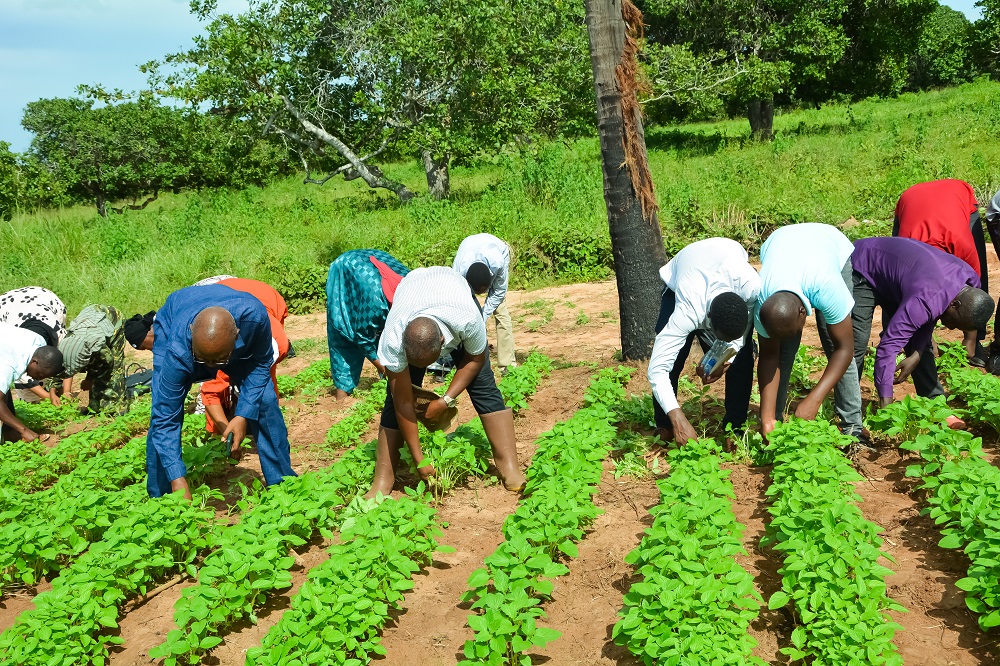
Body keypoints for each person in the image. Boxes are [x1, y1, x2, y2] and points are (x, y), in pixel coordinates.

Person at [367, 266, 525, 498]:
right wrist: (419, 460)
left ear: (443, 341)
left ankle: (509, 466)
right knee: (393, 400)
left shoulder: (468, 319)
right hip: (412, 293)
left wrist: (445, 400)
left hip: (452, 290)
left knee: (484, 388)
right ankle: (383, 478)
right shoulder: (394, 336)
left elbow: (474, 359)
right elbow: (401, 400)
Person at [146, 285, 296, 499]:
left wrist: (242, 415)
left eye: (219, 361)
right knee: (164, 411)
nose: (211, 368)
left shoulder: (254, 319)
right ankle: (162, 496)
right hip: (174, 319)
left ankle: (283, 484)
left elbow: (262, 363)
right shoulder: (178, 349)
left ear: (237, 337)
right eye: (203, 361)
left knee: (265, 400)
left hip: (232, 335)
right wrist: (178, 479)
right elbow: (165, 418)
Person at [850, 237, 993, 427]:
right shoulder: (925, 300)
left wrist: (916, 353)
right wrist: (887, 406)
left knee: (922, 345)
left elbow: (931, 314)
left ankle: (935, 405)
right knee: (855, 344)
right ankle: (850, 413)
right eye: (954, 323)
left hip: (901, 278)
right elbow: (888, 348)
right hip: (863, 266)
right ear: (954, 304)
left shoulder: (970, 282)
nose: (950, 328)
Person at [647, 238, 759, 446]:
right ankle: (666, 425)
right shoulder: (688, 310)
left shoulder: (751, 287)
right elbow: (657, 369)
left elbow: (741, 335)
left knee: (742, 360)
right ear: (707, 319)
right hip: (682, 275)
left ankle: (734, 427)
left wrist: (723, 359)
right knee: (674, 360)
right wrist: (678, 419)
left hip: (728, 256)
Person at [755, 223, 862, 439]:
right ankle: (774, 424)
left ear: (804, 312)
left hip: (829, 243)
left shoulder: (827, 286)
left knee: (834, 344)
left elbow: (845, 348)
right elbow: (768, 356)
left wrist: (815, 399)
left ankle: (852, 426)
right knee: (782, 351)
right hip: (781, 242)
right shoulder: (761, 302)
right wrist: (766, 417)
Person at [893, 179, 996, 365]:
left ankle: (977, 342)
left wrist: (970, 339)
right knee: (899, 288)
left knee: (979, 282)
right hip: (910, 199)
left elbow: (976, 290)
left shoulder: (962, 246)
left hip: (957, 195)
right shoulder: (906, 255)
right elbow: (910, 294)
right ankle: (915, 342)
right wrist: (925, 340)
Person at [197, 278, 290, 435]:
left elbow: (264, 377)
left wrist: (245, 413)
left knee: (263, 381)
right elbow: (210, 393)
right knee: (217, 380)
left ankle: (264, 425)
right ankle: (218, 427)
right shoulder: (220, 353)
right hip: (222, 293)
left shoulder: (276, 346)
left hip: (266, 297)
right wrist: (225, 432)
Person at [325, 250, 410, 399]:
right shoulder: (377, 305)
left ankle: (388, 385)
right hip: (346, 269)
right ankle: (342, 396)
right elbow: (363, 337)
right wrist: (386, 369)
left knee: (386, 335)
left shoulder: (414, 291)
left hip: (371, 267)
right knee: (343, 332)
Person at [453, 233, 517, 374]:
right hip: (469, 246)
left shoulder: (498, 263)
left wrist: (482, 317)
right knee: (461, 315)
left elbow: (499, 292)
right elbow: (457, 299)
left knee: (501, 311)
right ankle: (460, 359)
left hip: (496, 248)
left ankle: (507, 365)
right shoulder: (459, 271)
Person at [52, 305, 128, 414]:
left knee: (114, 370)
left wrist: (89, 379)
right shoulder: (65, 348)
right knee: (95, 368)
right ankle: (95, 407)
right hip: (92, 319)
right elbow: (58, 369)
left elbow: (107, 363)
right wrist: (53, 390)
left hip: (113, 320)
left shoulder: (97, 347)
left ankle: (116, 407)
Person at [0, 286, 68, 402]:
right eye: (40, 376)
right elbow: (22, 374)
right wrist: (47, 397)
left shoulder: (60, 335)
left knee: (48, 366)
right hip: (7, 305)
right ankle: (33, 401)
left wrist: (66, 391)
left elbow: (66, 362)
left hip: (44, 297)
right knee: (27, 392)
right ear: (34, 360)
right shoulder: (15, 350)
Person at [0, 323, 63, 442]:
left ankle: (7, 433)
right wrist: (24, 430)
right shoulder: (9, 365)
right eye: (39, 375)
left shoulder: (39, 343)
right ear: (35, 362)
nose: (38, 379)